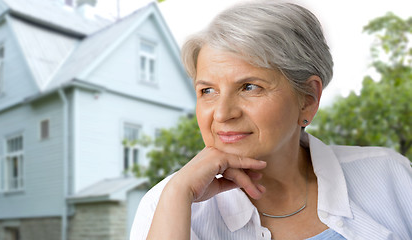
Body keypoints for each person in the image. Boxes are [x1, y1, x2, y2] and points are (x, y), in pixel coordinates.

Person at [130, 1, 412, 240]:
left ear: (308, 98)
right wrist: (178, 193)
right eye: (208, 91)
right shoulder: (168, 203)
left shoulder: (392, 176)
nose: (222, 113)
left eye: (249, 87)